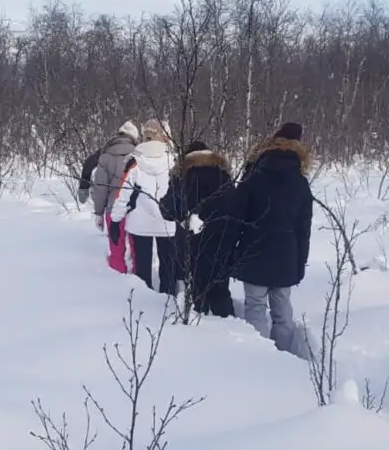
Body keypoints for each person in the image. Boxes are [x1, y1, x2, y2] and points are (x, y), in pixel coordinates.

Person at [232, 122, 313, 355]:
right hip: (286, 255)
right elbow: (303, 228)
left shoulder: (254, 175)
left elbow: (238, 215)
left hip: (254, 250)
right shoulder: (300, 182)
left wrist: (234, 252)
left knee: (255, 308)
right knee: (282, 311)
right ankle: (284, 358)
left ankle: (258, 359)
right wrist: (299, 264)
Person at [159, 140, 237, 317]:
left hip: (193, 243)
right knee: (221, 290)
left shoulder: (183, 176)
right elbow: (235, 207)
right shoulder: (224, 175)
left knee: (196, 289)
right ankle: (228, 328)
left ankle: (198, 327)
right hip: (223, 240)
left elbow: (168, 210)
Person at [108, 118, 178, 294]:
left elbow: (123, 194)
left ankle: (143, 302)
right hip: (167, 221)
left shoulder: (134, 161)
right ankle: (169, 303)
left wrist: (116, 221)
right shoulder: (174, 161)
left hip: (140, 223)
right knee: (168, 266)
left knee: (143, 268)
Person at [87, 121, 140, 273]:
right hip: (134, 209)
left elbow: (100, 187)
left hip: (112, 209)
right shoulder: (139, 155)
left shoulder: (105, 156)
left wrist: (98, 212)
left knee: (116, 250)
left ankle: (117, 281)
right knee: (138, 252)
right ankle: (139, 282)